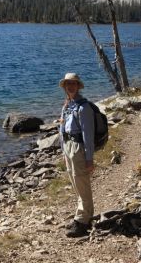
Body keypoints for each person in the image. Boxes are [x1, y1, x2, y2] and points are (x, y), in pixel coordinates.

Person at [58, 73, 95, 237]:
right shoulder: (67, 106)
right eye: (68, 84)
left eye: (73, 84)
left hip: (78, 148)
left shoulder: (83, 107)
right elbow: (62, 131)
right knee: (76, 184)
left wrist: (89, 159)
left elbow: (88, 135)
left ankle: (83, 221)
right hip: (68, 148)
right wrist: (63, 150)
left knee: (82, 184)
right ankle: (82, 216)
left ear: (78, 86)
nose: (70, 86)